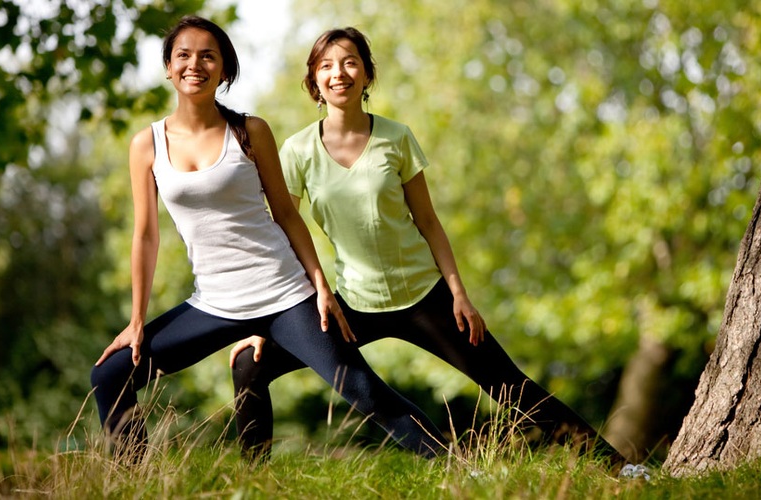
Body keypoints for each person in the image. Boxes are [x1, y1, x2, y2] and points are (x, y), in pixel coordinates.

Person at [230, 27, 625, 465]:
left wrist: (459, 293)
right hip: (352, 307)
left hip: (425, 296)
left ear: (366, 74)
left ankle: (619, 467)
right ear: (314, 81)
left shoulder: (396, 138)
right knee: (249, 363)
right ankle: (253, 482)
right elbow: (285, 229)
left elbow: (430, 222)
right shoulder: (297, 150)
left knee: (511, 388)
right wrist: (269, 318)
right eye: (325, 66)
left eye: (349, 62)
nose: (338, 73)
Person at [89, 16, 445, 462]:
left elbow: (287, 216)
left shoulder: (250, 131)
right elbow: (144, 236)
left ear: (224, 69)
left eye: (208, 55)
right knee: (111, 373)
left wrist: (318, 285)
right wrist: (136, 320)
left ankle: (458, 464)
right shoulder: (148, 143)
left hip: (283, 293)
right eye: (183, 55)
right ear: (168, 67)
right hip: (214, 302)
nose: (194, 64)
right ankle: (134, 480)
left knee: (361, 390)